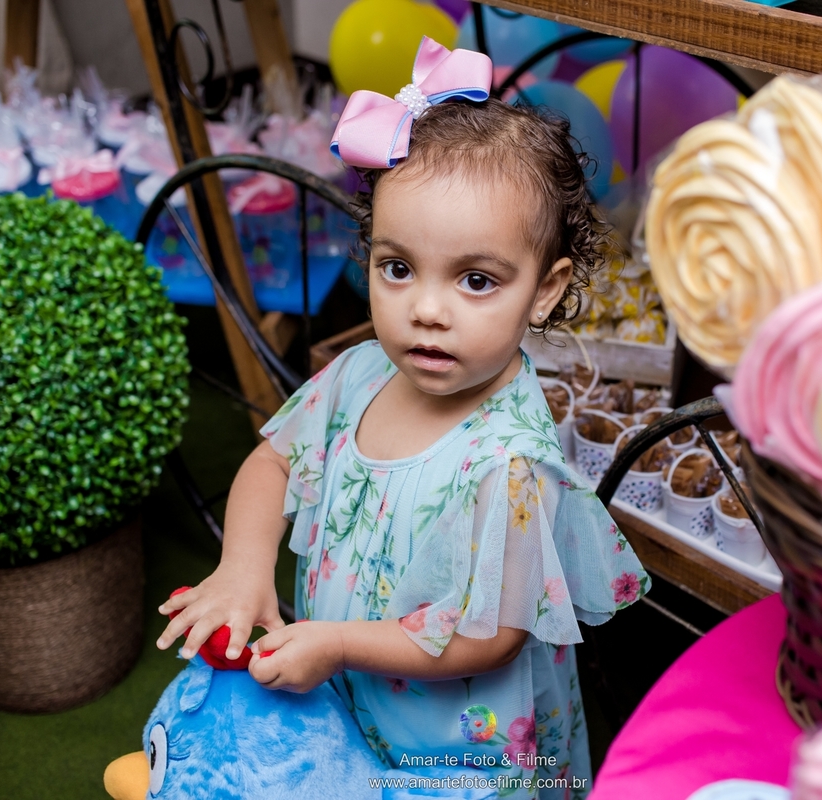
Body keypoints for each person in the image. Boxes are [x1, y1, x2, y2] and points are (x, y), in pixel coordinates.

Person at [157, 37, 649, 799]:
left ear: (545, 292)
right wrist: (244, 566)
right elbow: (273, 460)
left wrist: (339, 644)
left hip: (455, 745)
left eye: (476, 280)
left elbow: (486, 637)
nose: (425, 309)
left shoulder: (508, 461)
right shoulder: (358, 374)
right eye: (397, 267)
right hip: (350, 688)